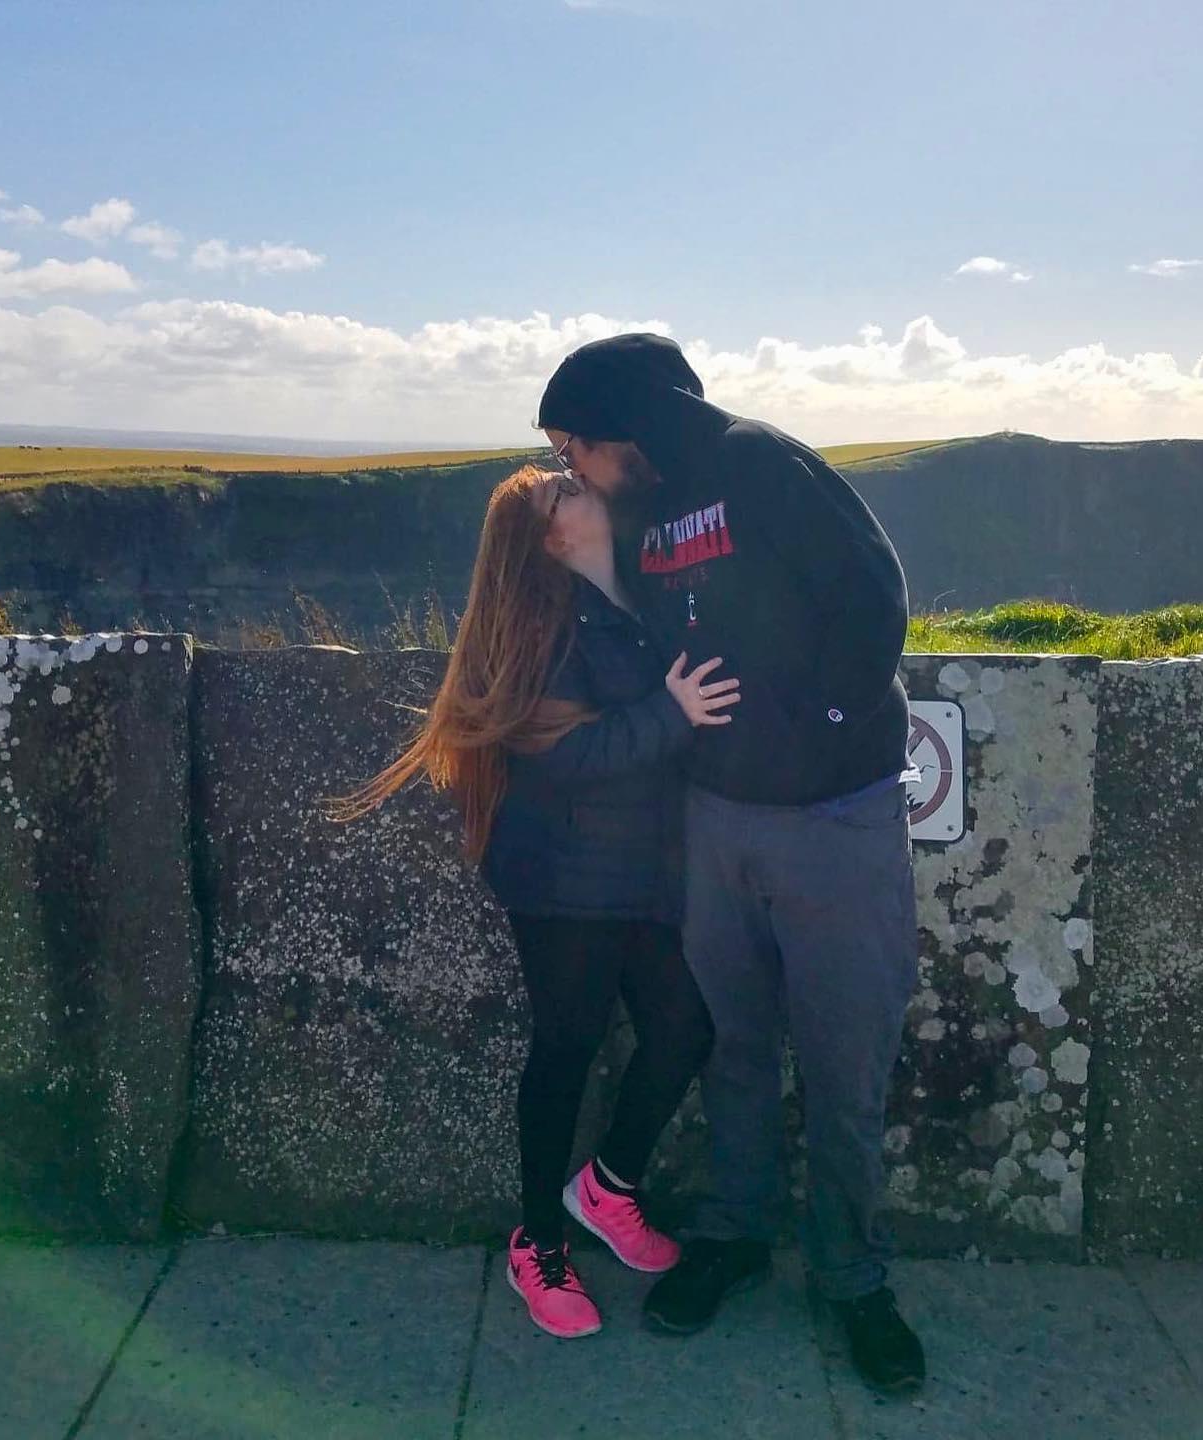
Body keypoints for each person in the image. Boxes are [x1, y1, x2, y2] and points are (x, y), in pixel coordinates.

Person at [536, 335, 926, 1393]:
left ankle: (852, 1278)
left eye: (576, 443)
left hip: (835, 817)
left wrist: (826, 720)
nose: (572, 464)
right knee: (734, 1046)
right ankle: (736, 1235)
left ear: (629, 425)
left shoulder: (761, 464)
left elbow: (875, 592)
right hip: (715, 818)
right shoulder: (649, 504)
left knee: (847, 1061)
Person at [324, 463, 736, 1339]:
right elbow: (558, 757)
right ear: (552, 536)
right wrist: (672, 714)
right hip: (566, 880)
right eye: (567, 493)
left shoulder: (637, 599)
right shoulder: (543, 625)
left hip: (644, 872)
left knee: (683, 1029)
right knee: (568, 1048)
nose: (583, 490)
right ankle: (536, 1243)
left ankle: (608, 1188)